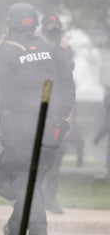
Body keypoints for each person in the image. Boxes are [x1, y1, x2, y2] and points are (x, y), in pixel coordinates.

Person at [0, 3, 75, 235]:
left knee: (16, 176)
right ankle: (14, 232)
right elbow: (68, 84)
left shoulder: (4, 52)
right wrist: (61, 115)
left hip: (19, 126)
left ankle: (38, 231)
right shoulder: (50, 51)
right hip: (51, 126)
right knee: (31, 179)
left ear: (10, 25)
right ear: (34, 24)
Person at [40, 13, 81, 214]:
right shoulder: (37, 47)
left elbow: (68, 81)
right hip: (38, 106)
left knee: (57, 154)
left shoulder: (64, 50)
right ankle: (33, 201)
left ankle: (50, 199)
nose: (52, 30)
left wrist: (67, 117)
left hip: (57, 108)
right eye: (50, 26)